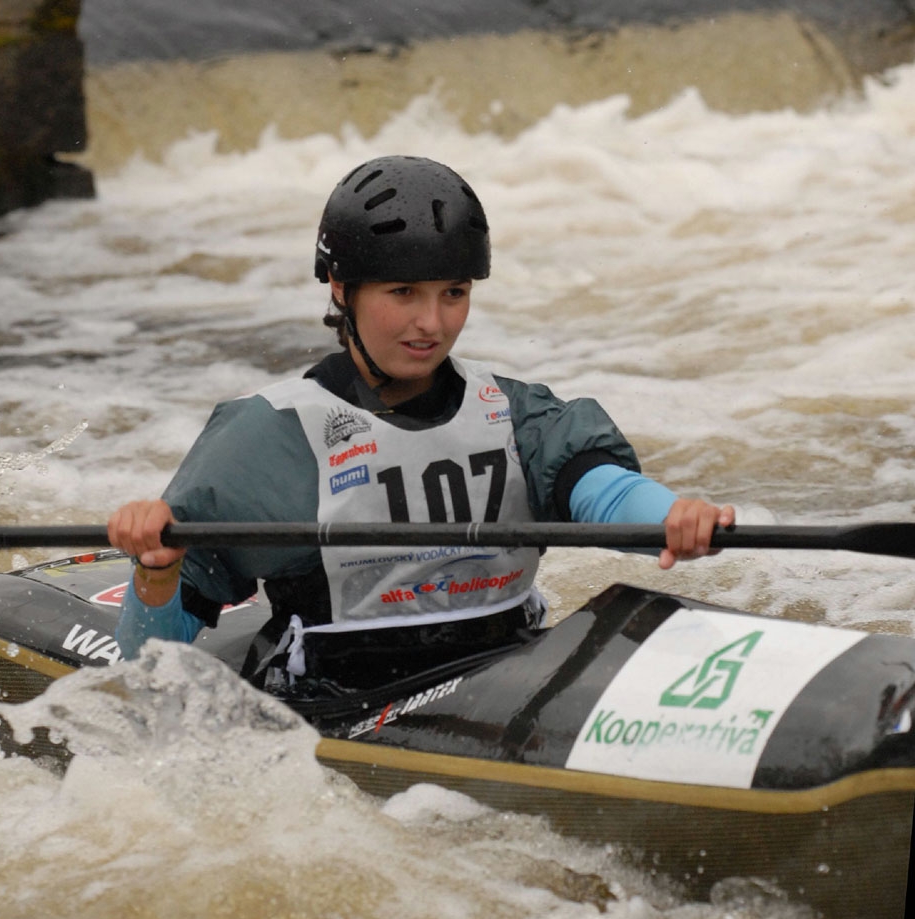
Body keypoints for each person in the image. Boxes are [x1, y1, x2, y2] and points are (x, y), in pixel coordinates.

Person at [108, 155, 734, 696]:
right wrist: (156, 571)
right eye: (403, 292)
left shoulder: (512, 411)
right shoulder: (271, 439)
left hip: (505, 667)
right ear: (340, 288)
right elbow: (146, 662)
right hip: (339, 694)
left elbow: (599, 488)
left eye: (453, 293)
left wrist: (673, 516)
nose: (432, 323)